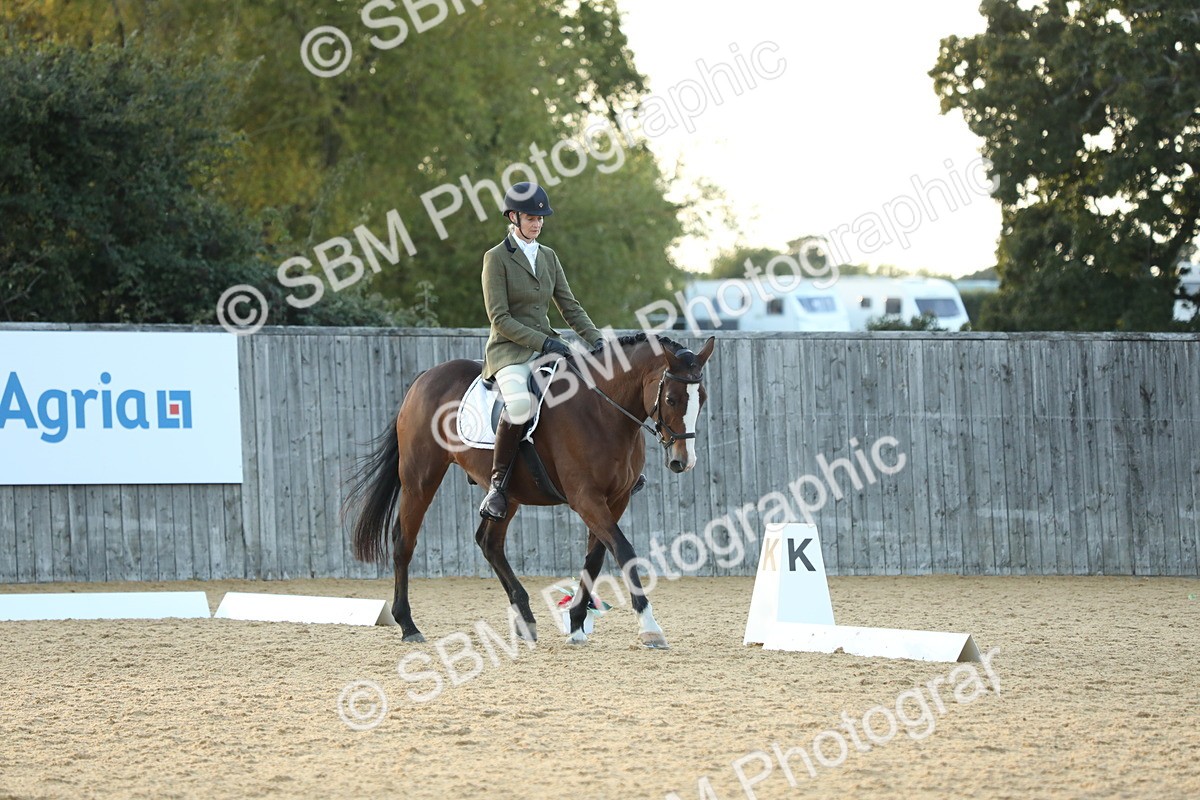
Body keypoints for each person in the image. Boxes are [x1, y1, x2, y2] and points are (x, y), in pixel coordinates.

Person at [478, 182, 604, 520]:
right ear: (514, 217)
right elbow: (500, 319)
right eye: (531, 218)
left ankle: (609, 468)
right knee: (520, 405)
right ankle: (497, 486)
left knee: (590, 389)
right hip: (509, 352)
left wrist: (597, 340)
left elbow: (569, 306)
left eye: (541, 218)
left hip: (548, 347)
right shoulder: (496, 258)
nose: (537, 224)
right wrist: (544, 343)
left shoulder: (548, 256)